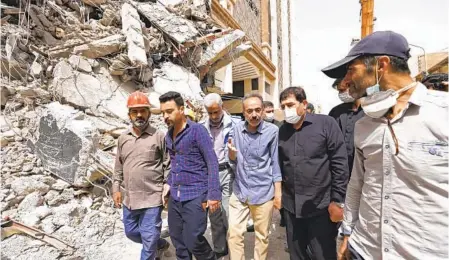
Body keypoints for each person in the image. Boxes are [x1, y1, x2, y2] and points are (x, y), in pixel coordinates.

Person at [322, 30, 448, 260]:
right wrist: (347, 232)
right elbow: (357, 184)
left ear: (381, 65)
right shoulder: (365, 124)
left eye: (352, 70)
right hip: (365, 249)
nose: (347, 80)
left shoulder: (443, 113)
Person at [278, 86, 349, 260]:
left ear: (304, 103)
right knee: (297, 255)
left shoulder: (326, 124)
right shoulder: (283, 130)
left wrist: (337, 200)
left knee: (322, 254)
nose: (287, 110)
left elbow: (339, 163)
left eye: (290, 104)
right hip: (292, 207)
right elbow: (281, 164)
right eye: (283, 106)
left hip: (321, 205)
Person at [159, 91, 221, 260]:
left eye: (169, 111)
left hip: (196, 194)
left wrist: (214, 194)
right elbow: (175, 164)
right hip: (176, 196)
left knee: (194, 240)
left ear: (181, 109)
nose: (165, 116)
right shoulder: (168, 135)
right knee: (178, 241)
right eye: (163, 112)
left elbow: (212, 162)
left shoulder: (197, 131)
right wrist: (168, 183)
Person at [113, 91, 171, 260]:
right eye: (134, 111)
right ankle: (158, 244)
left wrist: (167, 187)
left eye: (143, 110)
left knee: (149, 237)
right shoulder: (123, 138)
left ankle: (152, 245)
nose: (139, 115)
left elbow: (168, 164)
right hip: (130, 199)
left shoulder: (159, 136)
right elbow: (118, 166)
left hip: (152, 197)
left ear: (149, 112)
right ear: (129, 114)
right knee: (131, 232)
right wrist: (116, 187)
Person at [227, 92, 282, 260]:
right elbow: (232, 161)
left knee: (262, 235)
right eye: (249, 111)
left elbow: (275, 163)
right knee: (234, 234)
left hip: (263, 192)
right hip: (240, 191)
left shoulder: (272, 131)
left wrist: (278, 193)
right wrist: (231, 154)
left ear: (263, 110)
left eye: (258, 110)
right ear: (243, 112)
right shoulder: (235, 130)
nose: (254, 114)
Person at [199, 93, 241, 258]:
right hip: (210, 174)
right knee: (215, 214)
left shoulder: (236, 125)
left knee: (229, 214)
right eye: (210, 113)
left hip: (228, 171)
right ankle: (220, 250)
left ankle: (234, 249)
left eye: (216, 111)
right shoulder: (201, 127)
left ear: (222, 106)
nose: (214, 116)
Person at [328, 78, 365, 175]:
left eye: (342, 90)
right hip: (341, 170)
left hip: (364, 168)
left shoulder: (369, 111)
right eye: (339, 91)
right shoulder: (336, 112)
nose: (340, 94)